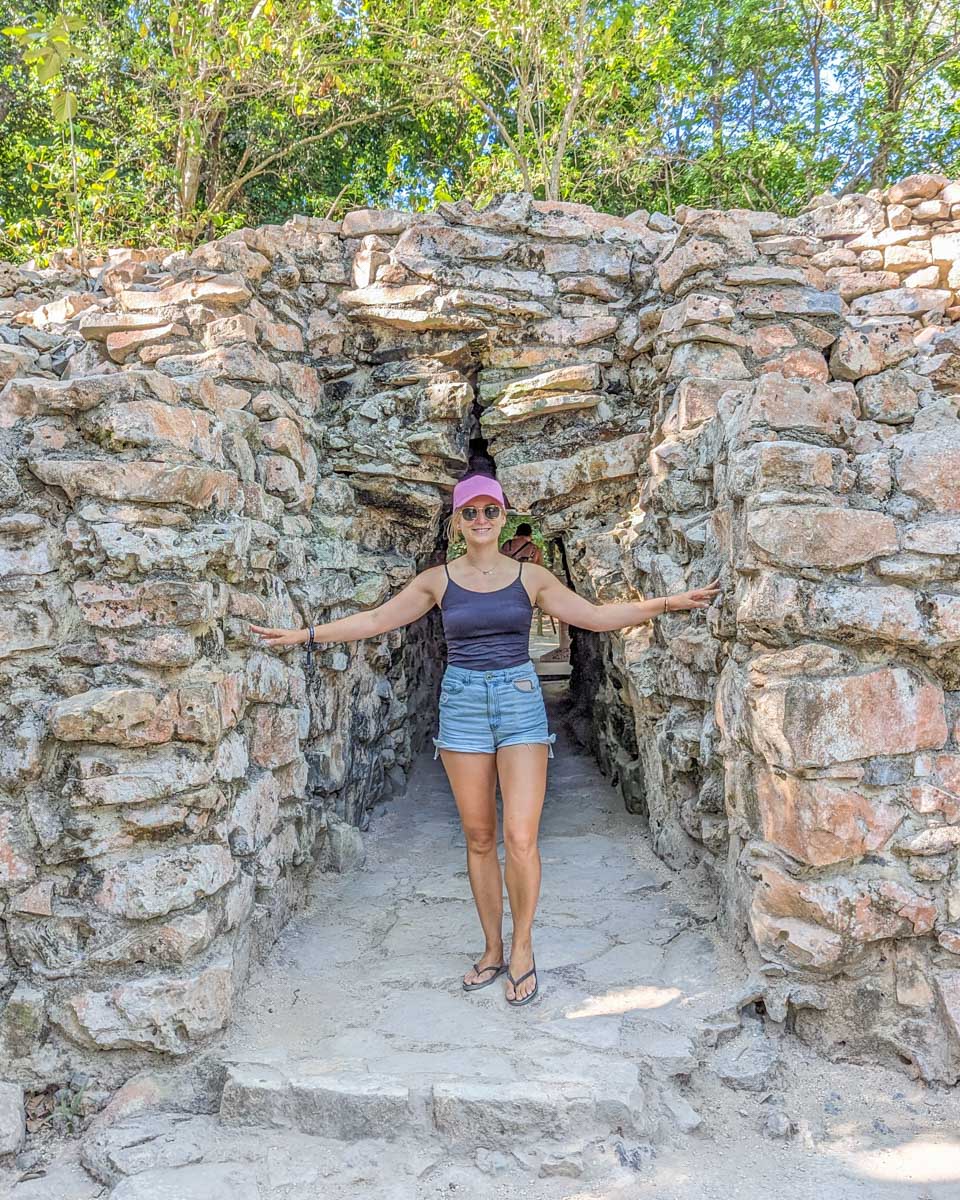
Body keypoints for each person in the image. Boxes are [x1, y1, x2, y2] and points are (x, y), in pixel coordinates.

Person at [250, 473, 721, 1006]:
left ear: (503, 517)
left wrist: (667, 604)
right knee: (479, 837)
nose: (480, 521)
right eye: (469, 513)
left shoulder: (530, 577)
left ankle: (523, 948)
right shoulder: (437, 581)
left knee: (520, 837)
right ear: (457, 521)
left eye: (489, 512)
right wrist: (306, 635)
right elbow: (379, 619)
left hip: (519, 699)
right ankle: (492, 948)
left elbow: (593, 615)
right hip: (463, 705)